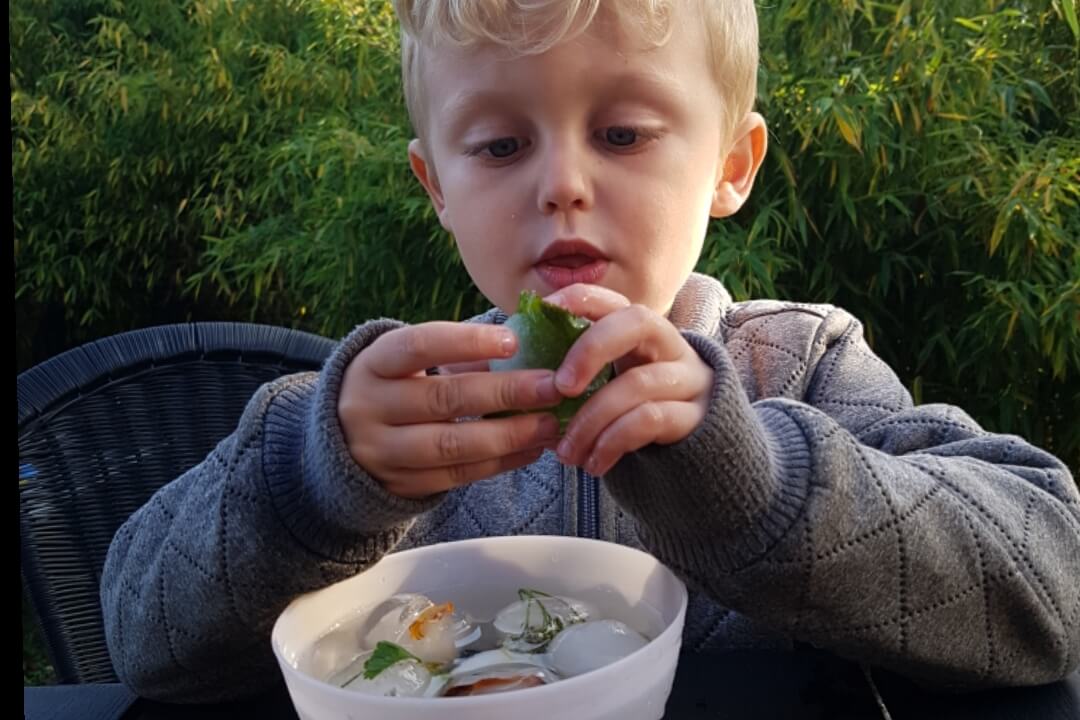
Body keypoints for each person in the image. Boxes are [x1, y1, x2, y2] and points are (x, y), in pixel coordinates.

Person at [100, 0, 1080, 703]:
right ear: (436, 187)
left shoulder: (803, 365)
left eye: (621, 132)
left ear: (730, 164)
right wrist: (311, 485)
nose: (562, 183)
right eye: (499, 146)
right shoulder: (399, 416)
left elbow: (1054, 587)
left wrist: (755, 480)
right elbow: (140, 635)